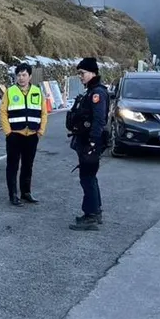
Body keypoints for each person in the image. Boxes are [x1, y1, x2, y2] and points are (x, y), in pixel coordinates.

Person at [66, 57, 109, 230]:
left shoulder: (97, 93)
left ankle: (91, 216)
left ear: (92, 72)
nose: (81, 76)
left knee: (87, 179)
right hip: (86, 141)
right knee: (90, 178)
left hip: (90, 143)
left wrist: (92, 143)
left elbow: (99, 120)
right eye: (79, 74)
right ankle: (95, 212)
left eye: (82, 73)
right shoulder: (91, 91)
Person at [0, 62, 47, 206]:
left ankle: (26, 192)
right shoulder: (10, 91)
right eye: (19, 75)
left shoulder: (37, 91)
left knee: (28, 165)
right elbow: (3, 112)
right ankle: (13, 195)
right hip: (15, 135)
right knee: (13, 166)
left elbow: (44, 112)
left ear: (30, 76)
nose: (21, 78)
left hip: (32, 135)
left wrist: (40, 131)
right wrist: (8, 132)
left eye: (24, 75)